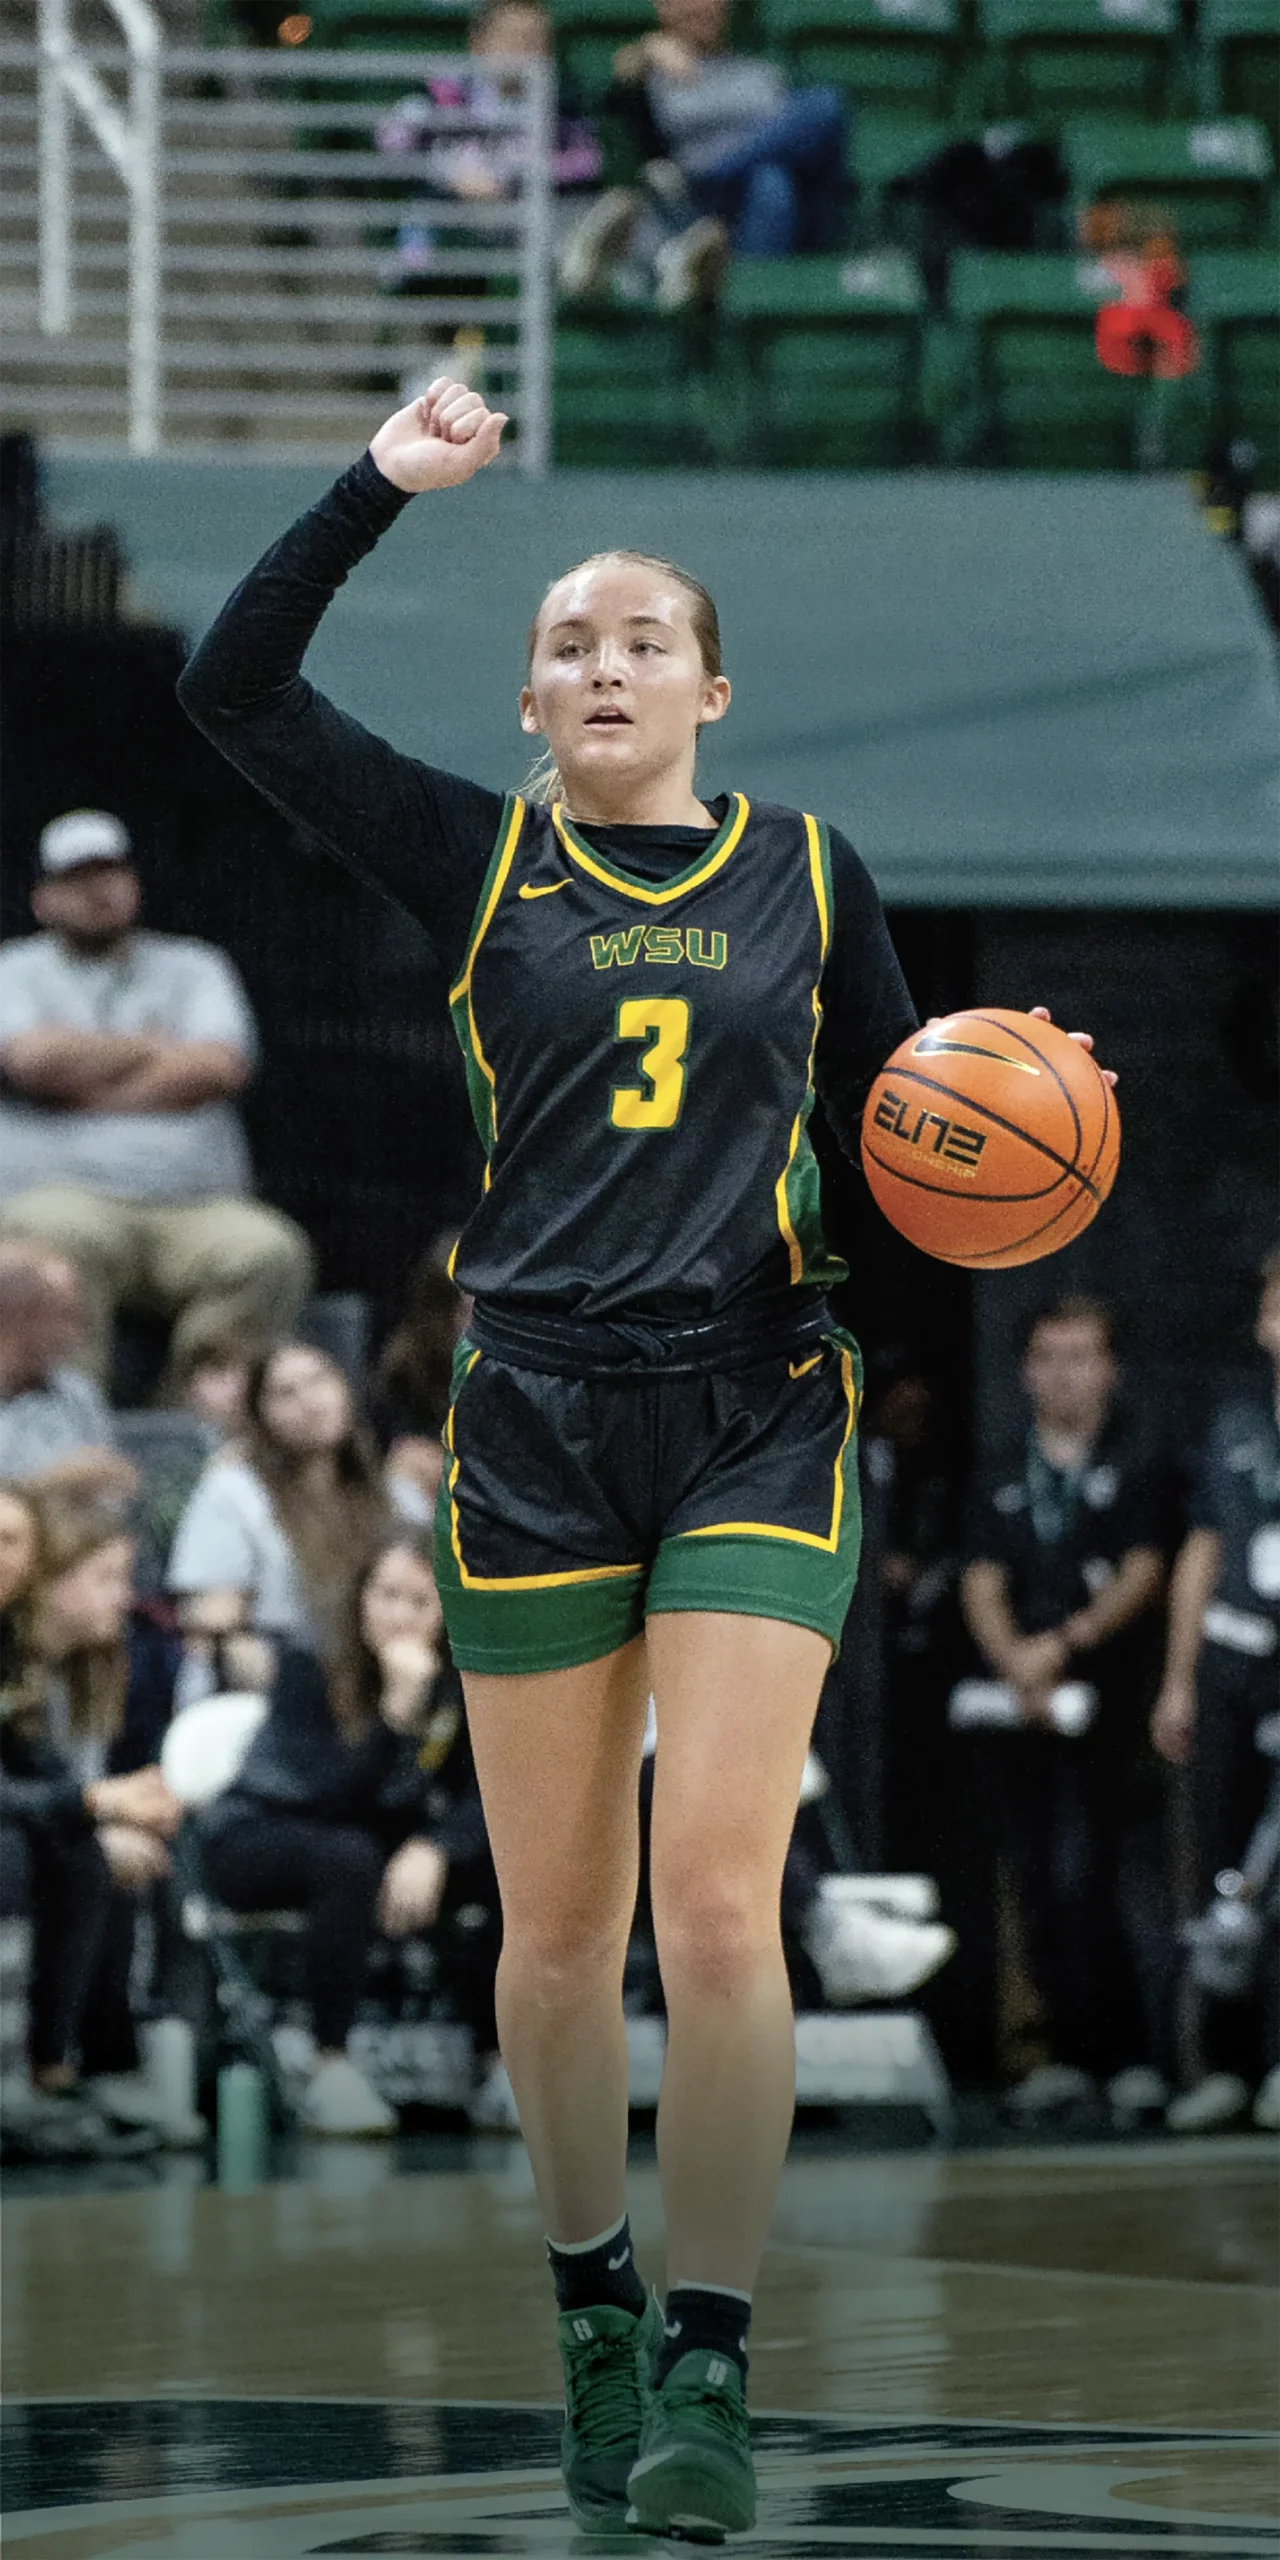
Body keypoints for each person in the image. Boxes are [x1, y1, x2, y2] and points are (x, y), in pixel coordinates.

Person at [176, 377, 1112, 2544]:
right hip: (530, 1417)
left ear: (709, 684)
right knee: (552, 1932)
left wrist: (1029, 1129)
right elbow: (233, 686)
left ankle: (707, 2350)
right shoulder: (475, 850)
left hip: (757, 1403)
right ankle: (588, 2299)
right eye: (571, 642)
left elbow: (912, 1140)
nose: (604, 664)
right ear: (531, 699)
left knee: (713, 1902)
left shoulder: (808, 869)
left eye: (640, 638)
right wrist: (374, 490)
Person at [198, 1527, 497, 2136]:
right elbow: (330, 1798)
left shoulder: (463, 1675)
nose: (399, 1617)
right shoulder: (312, 1664)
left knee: (493, 1862)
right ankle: (329, 2064)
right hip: (261, 1831)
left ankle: (500, 2065)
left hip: (367, 1839)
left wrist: (436, 1846)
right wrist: (393, 1715)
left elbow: (485, 1791)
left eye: (420, 1602)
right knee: (349, 1856)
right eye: (386, 1596)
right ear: (360, 1597)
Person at [0, 806, 312, 1389]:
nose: (99, 890)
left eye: (112, 873)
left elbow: (220, 1066)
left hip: (194, 1207)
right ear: (45, 897)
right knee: (51, 1244)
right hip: (63, 1199)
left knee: (271, 1251)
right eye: (78, 878)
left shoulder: (194, 965)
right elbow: (31, 1061)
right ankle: (77, 1432)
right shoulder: (13, 969)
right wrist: (153, 1048)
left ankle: (190, 1433)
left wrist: (81, 1088)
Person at [960, 1294, 1173, 2127]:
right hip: (1018, 1705)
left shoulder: (1139, 1457)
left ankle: (1130, 2054)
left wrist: (1066, 1644)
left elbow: (1145, 1568)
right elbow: (980, 1576)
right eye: (1048, 1356)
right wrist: (1016, 1655)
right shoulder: (1001, 1466)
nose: (1064, 1373)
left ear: (1110, 1368)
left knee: (1106, 1875)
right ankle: (1050, 2055)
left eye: (1082, 1355)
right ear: (1024, 1369)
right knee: (1033, 1874)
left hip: (1111, 1705)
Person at [0, 1492, 188, 2155]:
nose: (123, 1599)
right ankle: (22, 2073)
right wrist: (94, 1808)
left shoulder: (70, 1665)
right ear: (55, 1579)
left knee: (96, 1853)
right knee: (29, 1851)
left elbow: (47, 1780)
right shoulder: (19, 1656)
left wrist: (103, 1809)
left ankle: (67, 2069)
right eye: (106, 1578)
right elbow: (52, 1794)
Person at [1151, 1246, 1280, 2135]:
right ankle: (1219, 2066)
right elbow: (1200, 1550)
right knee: (1221, 1868)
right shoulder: (1237, 1423)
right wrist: (1178, 1679)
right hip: (1234, 1664)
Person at [561, 0, 847, 308]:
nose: (696, 8)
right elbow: (618, 130)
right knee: (771, 177)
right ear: (662, 8)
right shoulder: (648, 76)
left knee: (783, 164)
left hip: (753, 212)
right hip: (685, 210)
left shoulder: (759, 74)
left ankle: (712, 175)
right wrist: (642, 57)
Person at [167, 1338, 401, 1679]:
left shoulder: (394, 1494)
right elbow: (213, 1634)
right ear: (259, 1414)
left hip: (373, 1678)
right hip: (272, 1683)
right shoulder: (234, 1494)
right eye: (286, 1393)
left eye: (319, 1380)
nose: (309, 1401)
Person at [0, 1242, 137, 1502]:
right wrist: (49, 1483)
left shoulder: (78, 1395)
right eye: (62, 1316)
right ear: (15, 1314)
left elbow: (116, 1488)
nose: (73, 1334)